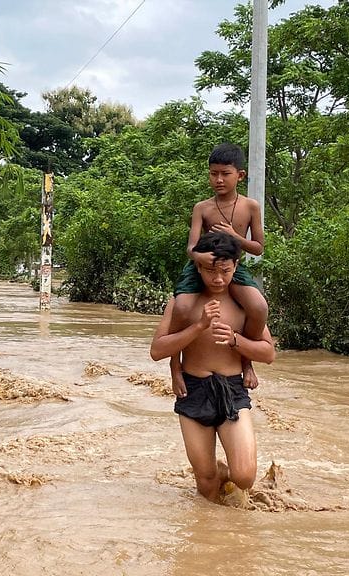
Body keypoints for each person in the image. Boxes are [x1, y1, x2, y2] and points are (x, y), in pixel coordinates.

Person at [150, 231, 276, 502]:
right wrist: (198, 327)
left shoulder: (243, 303)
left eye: (225, 271)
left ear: (236, 267)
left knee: (244, 476)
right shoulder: (183, 301)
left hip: (232, 390)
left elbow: (268, 353)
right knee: (206, 483)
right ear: (198, 266)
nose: (218, 279)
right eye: (210, 271)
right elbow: (157, 350)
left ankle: (227, 480)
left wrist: (235, 340)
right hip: (193, 390)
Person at [171, 142, 268, 392]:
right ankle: (175, 367)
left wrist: (235, 237)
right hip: (201, 266)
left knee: (258, 306)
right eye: (214, 174)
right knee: (181, 308)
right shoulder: (202, 208)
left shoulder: (250, 207)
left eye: (225, 174)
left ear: (240, 175)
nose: (219, 180)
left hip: (230, 268)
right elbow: (191, 247)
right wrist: (198, 258)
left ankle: (247, 363)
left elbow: (258, 247)